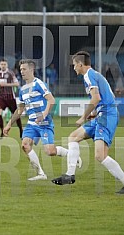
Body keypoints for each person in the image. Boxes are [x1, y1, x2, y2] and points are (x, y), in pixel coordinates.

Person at [52, 51, 124, 194]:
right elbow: (105, 97)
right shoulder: (95, 75)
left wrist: (84, 116)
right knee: (73, 137)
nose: (73, 68)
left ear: (80, 64)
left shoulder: (89, 75)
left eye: (74, 65)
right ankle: (69, 175)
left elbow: (96, 98)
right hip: (102, 115)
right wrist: (94, 113)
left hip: (107, 117)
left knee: (100, 156)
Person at [4, 59, 82, 181]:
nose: (22, 72)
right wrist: (9, 124)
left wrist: (44, 115)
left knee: (50, 151)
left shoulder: (39, 84)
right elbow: (20, 109)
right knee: (25, 145)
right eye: (21, 70)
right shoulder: (23, 89)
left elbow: (52, 100)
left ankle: (72, 154)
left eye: (24, 69)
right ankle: (41, 173)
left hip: (44, 123)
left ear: (31, 70)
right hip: (31, 124)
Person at [0, 58, 23, 139]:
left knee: (16, 116)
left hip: (10, 97)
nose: (3, 66)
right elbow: (0, 82)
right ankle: (2, 131)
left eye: (4, 64)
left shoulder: (10, 73)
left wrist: (6, 84)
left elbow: (17, 84)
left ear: (7, 65)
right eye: (1, 64)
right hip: (1, 97)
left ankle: (21, 130)